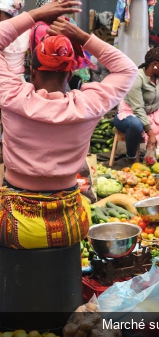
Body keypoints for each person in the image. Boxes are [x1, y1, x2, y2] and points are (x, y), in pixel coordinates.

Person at [0, 0, 138, 249]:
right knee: (85, 201)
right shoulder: (87, 105)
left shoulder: (12, 95)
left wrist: (35, 15)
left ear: (32, 73)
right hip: (70, 224)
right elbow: (127, 69)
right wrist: (83, 37)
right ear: (70, 75)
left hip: (16, 225)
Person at [113, 48, 159, 169]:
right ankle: (131, 160)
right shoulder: (137, 78)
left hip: (153, 114)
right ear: (154, 65)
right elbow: (138, 108)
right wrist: (150, 133)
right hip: (130, 114)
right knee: (135, 125)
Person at [0, 0, 29, 81]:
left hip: (3, 81)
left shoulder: (2, 31)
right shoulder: (26, 30)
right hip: (20, 80)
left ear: (1, 13)